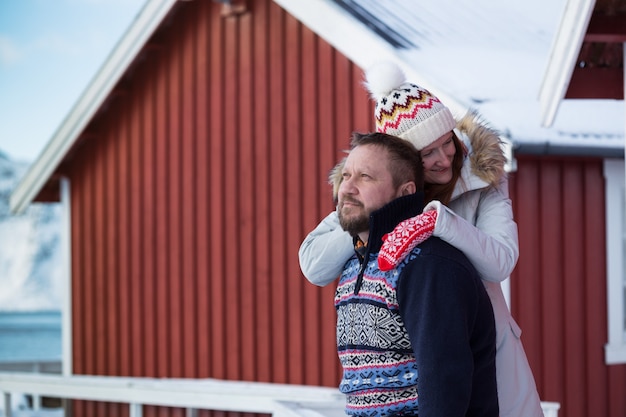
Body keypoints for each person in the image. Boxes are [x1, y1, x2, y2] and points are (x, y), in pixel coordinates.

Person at [299, 62, 543, 417]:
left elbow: (500, 260)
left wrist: (439, 221)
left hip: (487, 352)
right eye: (427, 153)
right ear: (406, 164)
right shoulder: (373, 188)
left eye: (448, 142)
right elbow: (314, 265)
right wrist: (374, 209)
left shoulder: (481, 178)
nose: (445, 158)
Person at [334, 131, 498, 417]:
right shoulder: (354, 264)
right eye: (346, 176)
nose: (347, 188)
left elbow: (444, 385)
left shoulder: (428, 264)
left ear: (406, 191)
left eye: (365, 177)